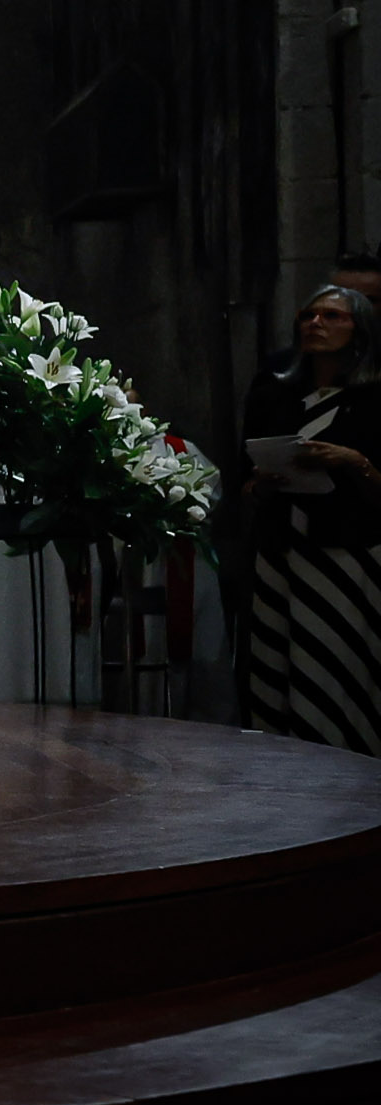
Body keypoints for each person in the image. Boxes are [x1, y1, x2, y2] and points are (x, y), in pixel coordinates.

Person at [240, 284, 381, 755]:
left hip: (346, 551)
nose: (315, 324)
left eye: (332, 317)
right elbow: (245, 474)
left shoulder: (375, 399)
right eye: (308, 315)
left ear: (359, 330)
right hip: (282, 546)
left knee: (334, 662)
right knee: (277, 665)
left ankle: (347, 762)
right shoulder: (274, 394)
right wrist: (261, 481)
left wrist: (353, 459)